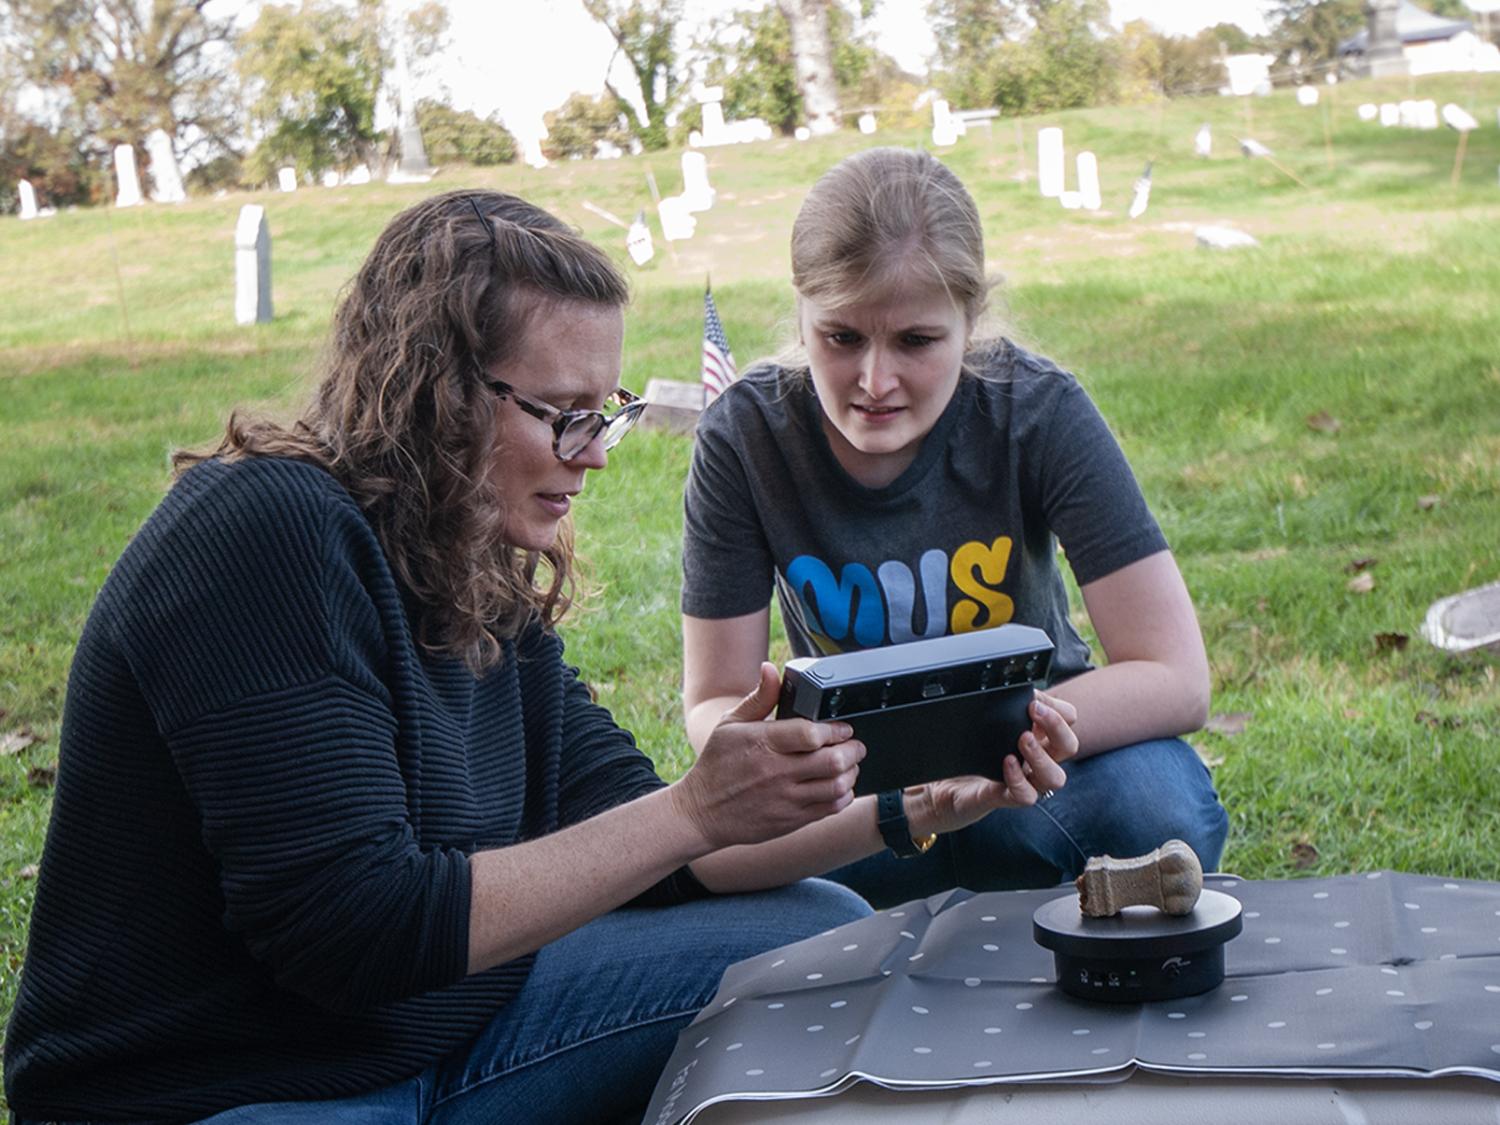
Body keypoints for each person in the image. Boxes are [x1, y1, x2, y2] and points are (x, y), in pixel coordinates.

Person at [1, 188, 1078, 1125]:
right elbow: (356, 931)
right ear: (435, 389)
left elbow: (669, 855)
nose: (597, 452)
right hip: (228, 1092)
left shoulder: (474, 571)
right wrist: (690, 812)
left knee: (819, 931)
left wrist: (920, 804)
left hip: (434, 1048)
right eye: (565, 414)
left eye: (602, 411)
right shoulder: (267, 531)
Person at [681, 148, 1229, 910]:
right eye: (841, 338)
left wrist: (997, 745)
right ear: (801, 312)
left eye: (916, 341)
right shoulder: (745, 437)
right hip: (855, 792)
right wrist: (807, 769)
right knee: (705, 863)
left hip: (1034, 759)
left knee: (1153, 810)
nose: (875, 382)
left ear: (970, 323)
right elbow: (714, 702)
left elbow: (1176, 675)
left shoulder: (1035, 410)